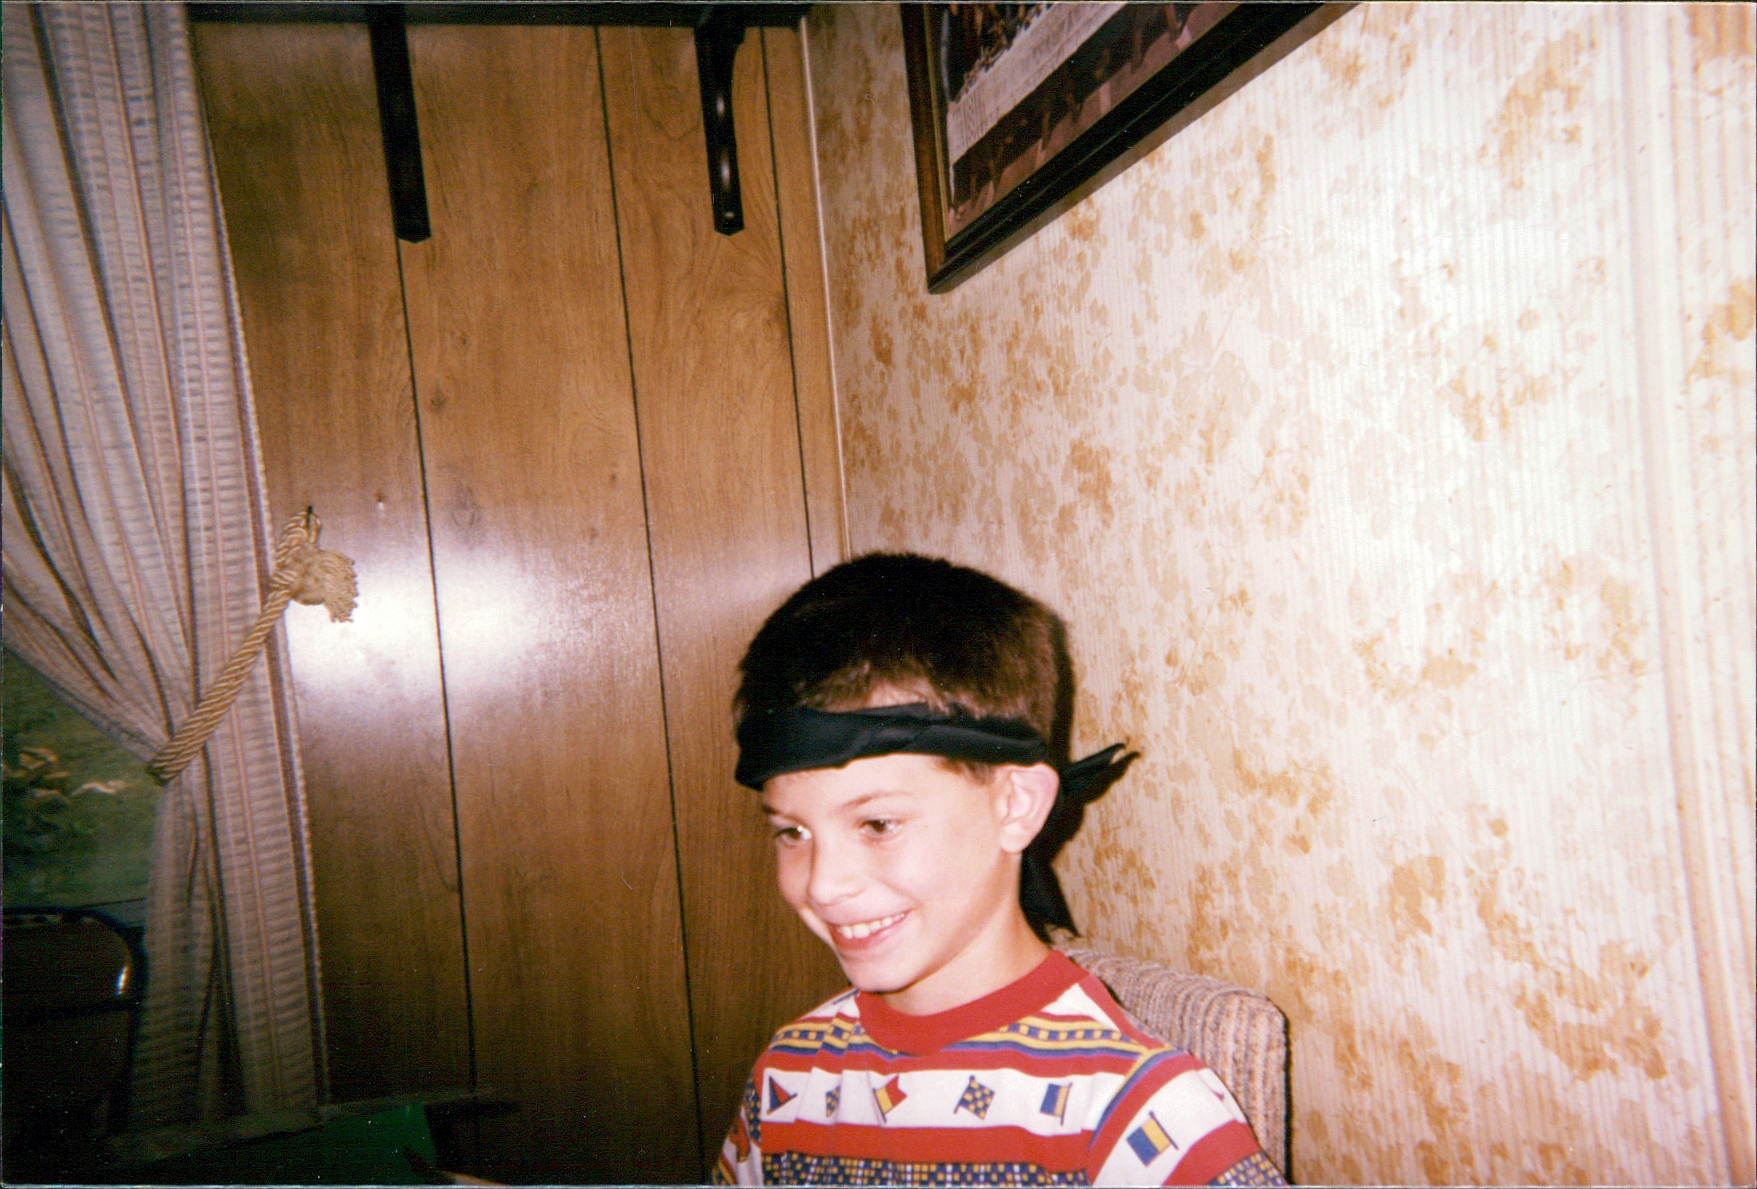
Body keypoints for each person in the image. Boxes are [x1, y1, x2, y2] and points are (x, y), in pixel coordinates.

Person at [713, 553, 1287, 1186]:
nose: (823, 884)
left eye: (877, 824)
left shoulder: (1138, 1120)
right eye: (792, 832)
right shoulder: (788, 1077)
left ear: (1015, 806)